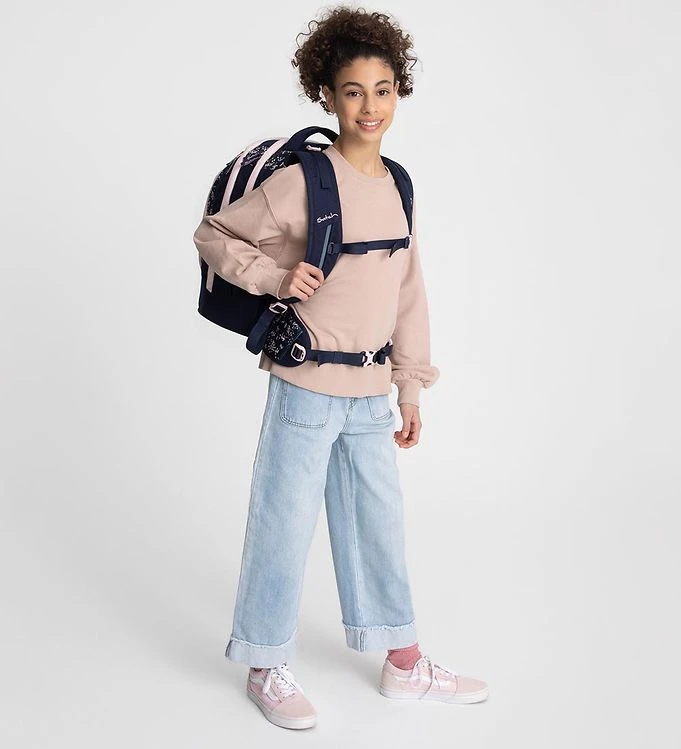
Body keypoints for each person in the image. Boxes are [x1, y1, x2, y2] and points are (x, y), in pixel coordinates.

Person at [193, 5, 488, 731]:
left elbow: (408, 290)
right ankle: (265, 663)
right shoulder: (305, 181)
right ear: (326, 94)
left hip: (369, 393)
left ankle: (403, 660)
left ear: (399, 92)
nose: (370, 106)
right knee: (283, 523)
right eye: (353, 91)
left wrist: (410, 384)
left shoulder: (397, 184)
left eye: (383, 89)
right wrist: (273, 276)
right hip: (304, 387)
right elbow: (214, 235)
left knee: (378, 523)